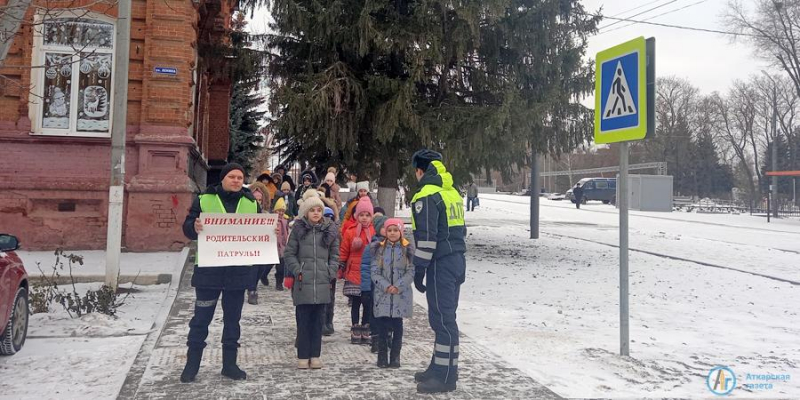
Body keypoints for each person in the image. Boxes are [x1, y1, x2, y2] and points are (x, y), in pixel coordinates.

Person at [180, 163, 260, 383]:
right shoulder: (205, 199)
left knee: (233, 321)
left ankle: (229, 365)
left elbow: (259, 233)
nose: (236, 180)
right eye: (232, 176)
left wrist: (269, 232)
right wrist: (192, 227)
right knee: (200, 320)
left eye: (240, 177)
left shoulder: (251, 202)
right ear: (223, 178)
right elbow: (187, 227)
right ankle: (191, 365)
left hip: (238, 272)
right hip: (209, 273)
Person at [410, 149, 467, 393]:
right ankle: (439, 366)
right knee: (444, 319)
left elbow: (427, 239)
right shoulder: (451, 192)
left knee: (443, 321)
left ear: (420, 170)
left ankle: (445, 377)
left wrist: (419, 269)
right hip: (456, 260)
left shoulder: (426, 194)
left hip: (439, 263)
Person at [283, 190, 339, 369]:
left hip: (322, 282)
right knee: (303, 321)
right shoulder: (299, 230)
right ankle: (302, 355)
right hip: (303, 283)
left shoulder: (329, 231)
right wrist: (298, 270)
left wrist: (330, 271)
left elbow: (335, 255)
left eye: (319, 210)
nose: (316, 213)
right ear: (306, 212)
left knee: (318, 322)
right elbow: (289, 253)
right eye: (312, 210)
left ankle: (315, 355)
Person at [371, 218, 414, 368]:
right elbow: (375, 272)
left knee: (397, 327)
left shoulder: (407, 249)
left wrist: (398, 286)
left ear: (401, 232)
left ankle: (395, 356)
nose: (393, 233)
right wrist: (386, 286)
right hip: (383, 295)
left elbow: (411, 272)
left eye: (396, 230)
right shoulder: (379, 250)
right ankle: (382, 356)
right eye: (390, 230)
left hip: (400, 296)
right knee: (382, 327)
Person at [339, 196, 375, 344]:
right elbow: (344, 250)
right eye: (361, 215)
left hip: (369, 273)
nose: (364, 218)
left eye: (367, 215)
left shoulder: (374, 231)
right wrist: (341, 265)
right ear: (356, 216)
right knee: (355, 302)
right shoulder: (350, 231)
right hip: (353, 271)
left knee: (368, 302)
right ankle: (355, 328)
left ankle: (366, 327)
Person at [360, 214, 388, 353]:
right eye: (384, 227)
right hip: (374, 288)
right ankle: (376, 340)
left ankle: (387, 338)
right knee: (375, 315)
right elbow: (365, 268)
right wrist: (365, 288)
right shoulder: (371, 247)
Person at [247, 181, 272, 305]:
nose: (258, 202)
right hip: (248, 245)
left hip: (262, 245)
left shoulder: (266, 214)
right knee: (252, 267)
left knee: (261, 268)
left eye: (260, 200)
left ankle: (252, 285)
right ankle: (252, 290)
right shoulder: (245, 212)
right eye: (255, 199)